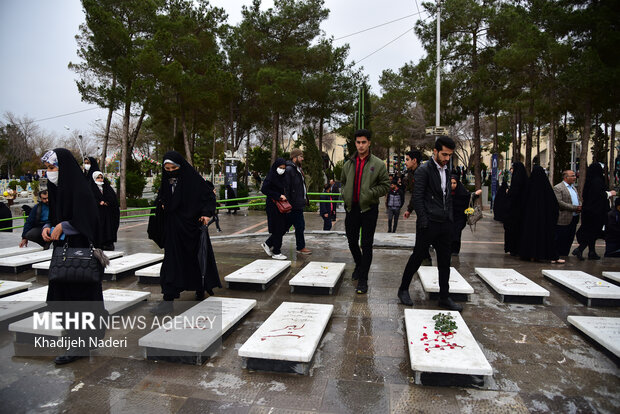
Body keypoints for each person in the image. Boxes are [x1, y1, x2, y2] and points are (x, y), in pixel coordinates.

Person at [40, 148, 106, 365]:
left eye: (52, 167)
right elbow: (55, 215)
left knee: (80, 299)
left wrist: (64, 226)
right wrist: (48, 226)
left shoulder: (80, 190)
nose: (49, 172)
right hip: (63, 255)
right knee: (61, 298)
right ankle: (80, 338)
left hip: (79, 254)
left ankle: (80, 344)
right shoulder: (57, 188)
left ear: (64, 167)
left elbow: (90, 220)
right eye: (47, 168)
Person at [151, 151, 221, 314]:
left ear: (180, 166)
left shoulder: (193, 180)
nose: (170, 171)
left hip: (193, 229)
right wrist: (161, 206)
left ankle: (200, 288)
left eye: (173, 168)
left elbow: (209, 197)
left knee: (196, 261)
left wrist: (206, 213)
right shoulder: (166, 183)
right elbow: (163, 201)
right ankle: (167, 300)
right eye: (166, 169)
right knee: (170, 264)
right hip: (173, 231)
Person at [398, 136, 462, 310]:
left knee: (444, 262)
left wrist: (450, 219)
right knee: (417, 257)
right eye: (444, 154)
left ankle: (444, 296)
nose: (447, 158)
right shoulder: (423, 170)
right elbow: (417, 198)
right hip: (428, 224)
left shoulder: (447, 170)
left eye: (449, 155)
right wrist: (424, 221)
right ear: (434, 151)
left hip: (445, 224)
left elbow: (447, 196)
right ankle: (403, 289)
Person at [341, 129, 390, 294]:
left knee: (366, 244)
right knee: (352, 241)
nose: (360, 145)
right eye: (358, 142)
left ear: (369, 143)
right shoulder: (348, 163)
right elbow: (343, 183)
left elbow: (385, 185)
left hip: (369, 209)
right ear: (355, 143)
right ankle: (360, 265)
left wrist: (369, 194)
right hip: (351, 209)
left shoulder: (378, 164)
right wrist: (344, 194)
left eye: (363, 142)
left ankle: (363, 279)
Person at [518, 166, 564, 263]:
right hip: (544, 221)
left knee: (530, 237)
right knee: (544, 237)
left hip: (529, 220)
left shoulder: (528, 187)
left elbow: (521, 204)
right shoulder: (546, 189)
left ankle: (530, 255)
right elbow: (554, 205)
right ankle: (546, 255)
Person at [573, 163, 616, 260]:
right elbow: (598, 196)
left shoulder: (590, 181)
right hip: (596, 213)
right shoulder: (597, 181)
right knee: (593, 232)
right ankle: (580, 249)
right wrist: (609, 193)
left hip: (589, 212)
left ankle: (591, 252)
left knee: (591, 232)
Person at [402, 150, 432, 265]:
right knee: (421, 238)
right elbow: (415, 194)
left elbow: (417, 195)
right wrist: (409, 209)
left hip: (425, 211)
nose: (405, 162)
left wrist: (410, 209)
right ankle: (424, 259)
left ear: (414, 161)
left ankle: (423, 261)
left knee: (422, 239)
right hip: (422, 211)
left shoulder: (420, 173)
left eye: (407, 159)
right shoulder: (414, 172)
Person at [260, 158, 289, 260]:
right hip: (273, 206)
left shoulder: (283, 177)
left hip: (281, 206)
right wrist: (278, 195)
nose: (282, 170)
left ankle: (268, 244)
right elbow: (264, 189)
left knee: (282, 227)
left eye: (284, 168)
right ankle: (276, 251)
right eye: (280, 168)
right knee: (278, 228)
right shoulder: (271, 176)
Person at [284, 148, 311, 255]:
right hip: (294, 204)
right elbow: (287, 188)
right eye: (301, 157)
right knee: (299, 225)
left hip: (297, 203)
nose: (302, 159)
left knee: (286, 226)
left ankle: (269, 243)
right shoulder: (290, 170)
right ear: (295, 157)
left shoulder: (297, 169)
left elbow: (301, 187)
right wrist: (289, 204)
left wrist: (305, 199)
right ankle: (300, 247)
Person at [450, 176, 482, 255]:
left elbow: (469, 197)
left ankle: (455, 250)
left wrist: (476, 194)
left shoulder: (462, 192)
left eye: (454, 183)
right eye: (451, 183)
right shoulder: (446, 192)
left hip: (460, 217)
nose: (452, 185)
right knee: (449, 233)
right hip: (449, 217)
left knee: (457, 233)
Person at [553, 170, 581, 257]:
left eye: (574, 176)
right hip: (564, 218)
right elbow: (559, 202)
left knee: (570, 238)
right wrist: (574, 208)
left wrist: (580, 206)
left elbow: (577, 198)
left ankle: (565, 254)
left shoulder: (573, 187)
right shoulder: (558, 188)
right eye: (572, 176)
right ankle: (559, 255)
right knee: (561, 238)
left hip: (574, 217)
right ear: (566, 177)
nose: (574, 177)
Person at [91, 171, 120, 250]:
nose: (100, 180)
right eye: (98, 178)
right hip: (97, 214)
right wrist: (98, 202)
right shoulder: (91, 188)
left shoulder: (107, 187)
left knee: (108, 229)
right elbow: (90, 199)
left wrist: (107, 202)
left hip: (107, 214)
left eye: (101, 178)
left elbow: (113, 199)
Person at [503, 162, 528, 256]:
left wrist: (508, 193)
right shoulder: (525, 181)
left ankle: (512, 248)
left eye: (512, 168)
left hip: (513, 214)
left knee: (512, 231)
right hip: (522, 213)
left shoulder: (516, 181)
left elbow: (512, 197)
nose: (511, 170)